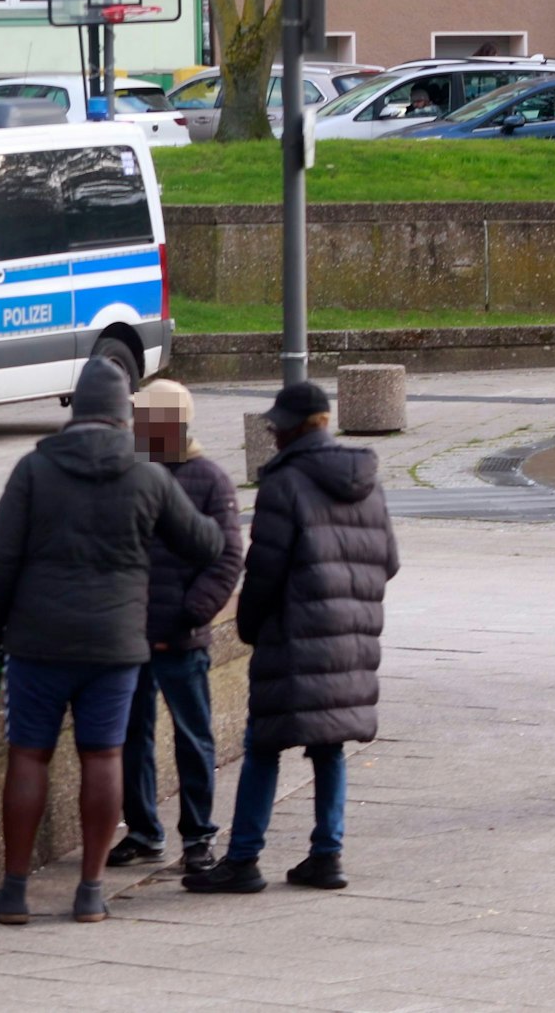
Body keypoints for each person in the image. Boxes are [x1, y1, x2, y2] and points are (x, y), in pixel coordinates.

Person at [0, 358, 223, 926]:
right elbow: (207, 543)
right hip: (114, 646)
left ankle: (13, 893)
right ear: (122, 416)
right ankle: (89, 892)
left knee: (28, 755)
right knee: (103, 755)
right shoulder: (149, 474)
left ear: (77, 410)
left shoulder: (35, 469)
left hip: (39, 643)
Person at [185, 381, 398, 895]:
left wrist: (250, 627)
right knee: (328, 745)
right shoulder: (366, 479)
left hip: (295, 636)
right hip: (350, 638)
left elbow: (264, 571)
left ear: (293, 429)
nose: (272, 432)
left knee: (263, 745)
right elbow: (388, 560)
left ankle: (243, 859)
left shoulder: (284, 483)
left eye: (277, 424)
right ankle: (327, 856)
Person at [109, 379, 244, 875]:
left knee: (192, 736)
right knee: (131, 735)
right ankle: (143, 831)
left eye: (146, 419)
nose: (137, 428)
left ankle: (198, 835)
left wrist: (191, 613)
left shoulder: (209, 478)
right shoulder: (131, 473)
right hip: (130, 633)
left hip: (181, 635)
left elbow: (229, 558)